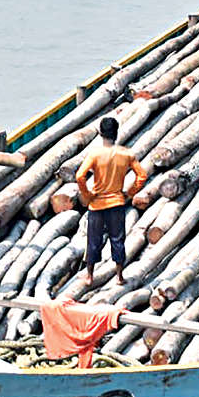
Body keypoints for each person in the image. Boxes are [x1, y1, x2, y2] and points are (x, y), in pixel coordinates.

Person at [75, 117, 148, 286]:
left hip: (97, 204)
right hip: (117, 203)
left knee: (93, 240)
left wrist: (87, 194)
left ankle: (89, 276)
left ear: (101, 134)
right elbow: (142, 175)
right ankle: (120, 276)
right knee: (118, 240)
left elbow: (80, 176)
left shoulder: (95, 154)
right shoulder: (126, 154)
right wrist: (130, 193)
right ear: (116, 133)